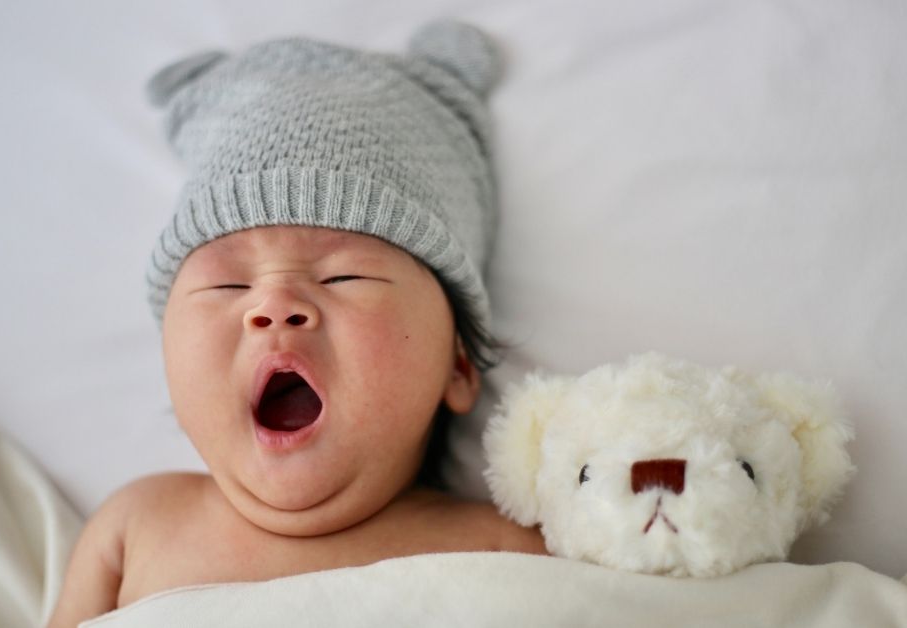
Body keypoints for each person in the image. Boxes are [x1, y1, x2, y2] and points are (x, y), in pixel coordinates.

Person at [47, 19, 546, 626]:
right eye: (227, 284)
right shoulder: (133, 528)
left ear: (458, 365)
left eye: (343, 277)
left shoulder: (502, 550)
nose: (273, 305)